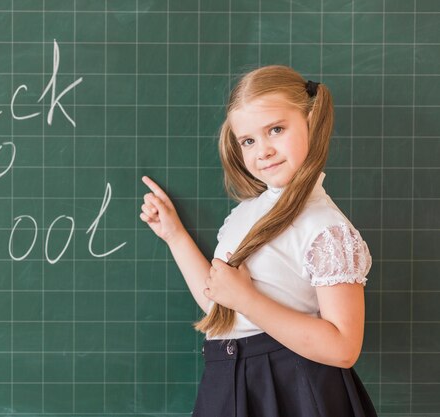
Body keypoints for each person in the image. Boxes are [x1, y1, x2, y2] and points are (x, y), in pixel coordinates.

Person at [140, 65, 377, 417]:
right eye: (248, 141)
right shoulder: (245, 213)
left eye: (276, 130)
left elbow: (343, 347)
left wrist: (246, 298)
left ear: (311, 120)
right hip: (227, 381)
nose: (262, 151)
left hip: (292, 387)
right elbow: (218, 305)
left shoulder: (326, 229)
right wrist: (174, 235)